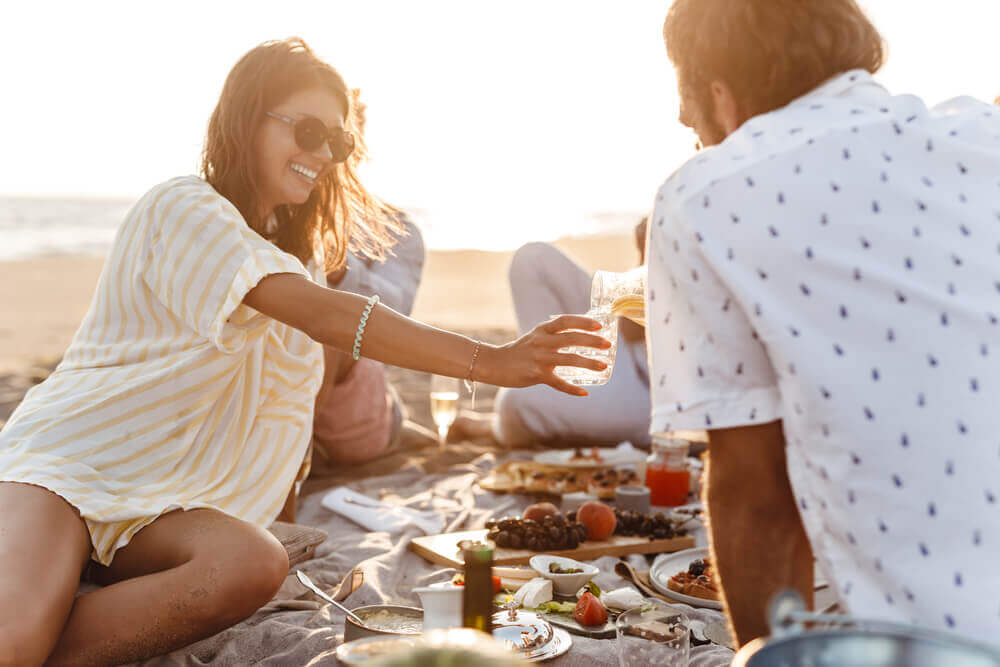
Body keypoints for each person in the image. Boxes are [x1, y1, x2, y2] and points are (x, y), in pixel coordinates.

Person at [0, 38, 607, 666]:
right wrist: (493, 362)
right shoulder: (182, 207)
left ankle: (50, 617)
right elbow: (330, 316)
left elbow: (284, 419)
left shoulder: (301, 260)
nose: (322, 155)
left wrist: (279, 512)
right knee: (16, 642)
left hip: (158, 505)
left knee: (253, 562)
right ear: (245, 117)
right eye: (308, 130)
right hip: (71, 468)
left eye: (337, 143)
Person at [650, 0, 1000, 649]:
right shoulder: (983, 133)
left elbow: (757, 495)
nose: (679, 115)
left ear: (721, 95)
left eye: (683, 90)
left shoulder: (703, 195)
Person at [450, 219, 651, 448]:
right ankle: (540, 379)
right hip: (630, 341)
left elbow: (639, 326)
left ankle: (502, 424)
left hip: (651, 393)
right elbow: (632, 319)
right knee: (532, 259)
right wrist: (649, 256)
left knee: (515, 403)